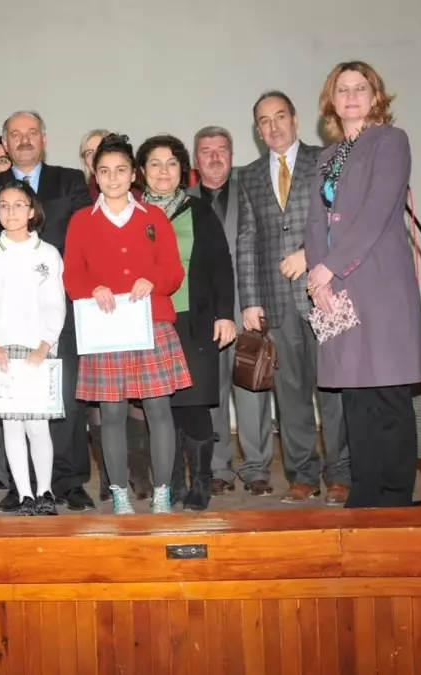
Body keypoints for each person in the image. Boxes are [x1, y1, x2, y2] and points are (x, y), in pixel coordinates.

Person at [305, 62, 421, 508]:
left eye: (360, 88)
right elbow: (315, 224)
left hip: (379, 282)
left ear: (375, 96)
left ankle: (394, 497)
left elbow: (376, 214)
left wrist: (330, 267)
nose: (351, 96)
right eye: (342, 89)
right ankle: (366, 490)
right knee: (355, 395)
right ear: (331, 100)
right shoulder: (326, 157)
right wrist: (320, 279)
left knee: (388, 392)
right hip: (334, 287)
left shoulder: (391, 142)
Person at [0, 111, 97, 514]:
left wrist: (48, 337)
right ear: (4, 143)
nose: (23, 140)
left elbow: (81, 238)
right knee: (13, 421)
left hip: (53, 321)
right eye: (14, 135)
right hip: (3, 336)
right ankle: (20, 489)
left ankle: (65, 482)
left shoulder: (70, 181)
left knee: (63, 407)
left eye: (31, 133)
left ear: (44, 138)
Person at [63, 133, 191, 514]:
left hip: (151, 324)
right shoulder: (81, 220)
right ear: (95, 175)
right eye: (105, 171)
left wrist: (153, 281)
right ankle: (120, 493)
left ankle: (163, 491)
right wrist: (92, 288)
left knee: (159, 410)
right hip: (106, 329)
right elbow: (71, 276)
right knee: (113, 414)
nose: (113, 178)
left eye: (121, 170)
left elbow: (173, 270)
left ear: (133, 173)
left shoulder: (154, 218)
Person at [238, 91, 351, 506]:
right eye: (264, 120)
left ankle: (340, 474)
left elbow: (343, 221)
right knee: (290, 395)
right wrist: (250, 301)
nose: (273, 126)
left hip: (324, 295)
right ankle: (302, 475)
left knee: (334, 391)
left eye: (280, 116)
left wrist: (311, 255)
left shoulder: (326, 159)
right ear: (257, 130)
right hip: (276, 302)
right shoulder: (247, 175)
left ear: (295, 120)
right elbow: (247, 239)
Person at [137, 135, 236, 512]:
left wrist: (225, 314)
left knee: (193, 405)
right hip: (149, 322)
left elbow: (220, 265)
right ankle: (173, 482)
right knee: (163, 408)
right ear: (142, 171)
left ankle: (203, 482)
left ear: (183, 169)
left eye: (172, 163)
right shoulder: (131, 213)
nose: (164, 171)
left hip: (194, 321)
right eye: (155, 164)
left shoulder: (198, 210)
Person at [186, 126, 276, 498]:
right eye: (206, 151)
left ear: (232, 154)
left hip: (248, 307)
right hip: (203, 315)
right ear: (195, 159)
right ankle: (217, 467)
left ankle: (256, 468)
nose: (214, 157)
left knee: (253, 390)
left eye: (222, 149)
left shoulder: (253, 192)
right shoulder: (182, 200)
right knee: (212, 394)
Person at [0, 181, 67, 516]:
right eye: (4, 205)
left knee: (38, 426)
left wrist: (45, 344)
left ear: (32, 210)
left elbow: (56, 304)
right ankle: (24, 494)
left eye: (18, 204)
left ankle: (46, 491)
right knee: (12, 425)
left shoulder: (48, 254)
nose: (11, 212)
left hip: (38, 349)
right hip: (1, 350)